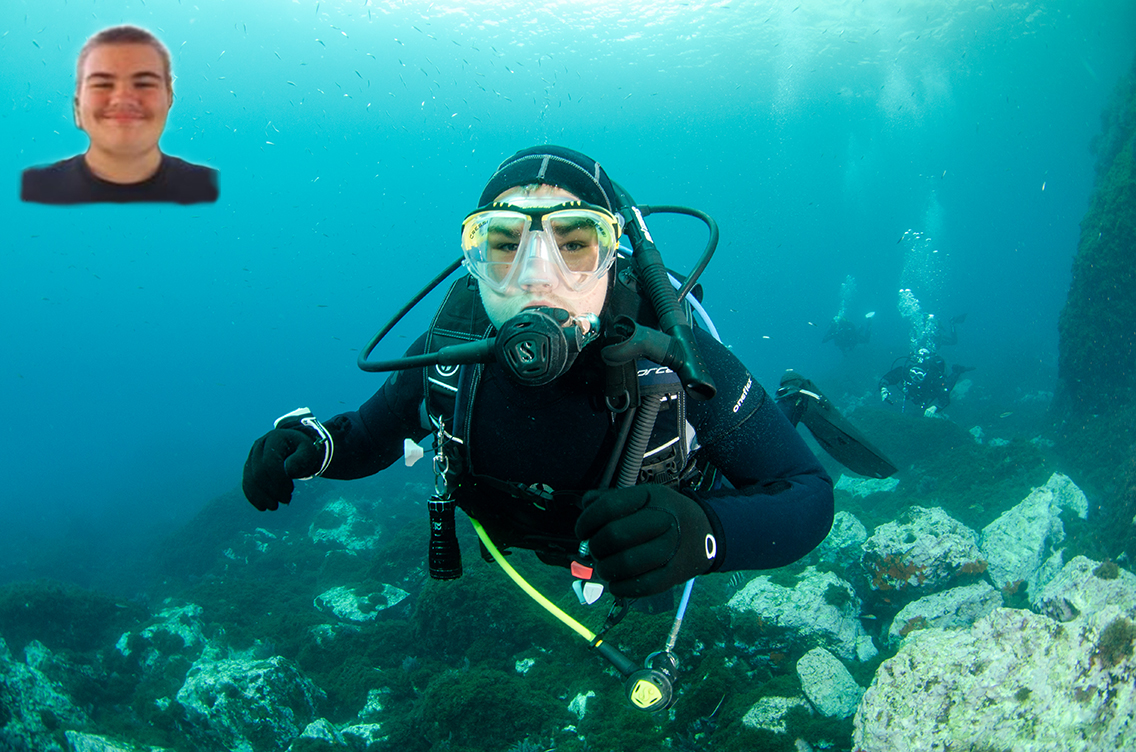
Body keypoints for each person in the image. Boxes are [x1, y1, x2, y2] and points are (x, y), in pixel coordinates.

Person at [241, 145, 834, 601]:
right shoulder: (450, 352)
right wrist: (310, 448)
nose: (534, 276)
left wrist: (704, 534)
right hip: (539, 542)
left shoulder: (672, 356)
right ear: (474, 260)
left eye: (575, 244)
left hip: (644, 550)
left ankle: (795, 403)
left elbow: (806, 496)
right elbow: (369, 439)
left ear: (613, 254)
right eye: (503, 244)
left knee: (652, 596)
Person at [21, 25, 218, 205]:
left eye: (144, 84)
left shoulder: (216, 191)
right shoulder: (26, 192)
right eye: (102, 84)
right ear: (77, 106)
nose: (123, 99)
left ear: (169, 100)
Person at [879, 348, 974, 414]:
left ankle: (958, 371)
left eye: (919, 376)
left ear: (925, 375)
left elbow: (944, 397)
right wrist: (884, 389)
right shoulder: (905, 372)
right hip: (915, 396)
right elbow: (887, 378)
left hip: (929, 391)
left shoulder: (934, 379)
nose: (914, 379)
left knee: (948, 384)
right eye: (913, 374)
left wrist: (936, 407)